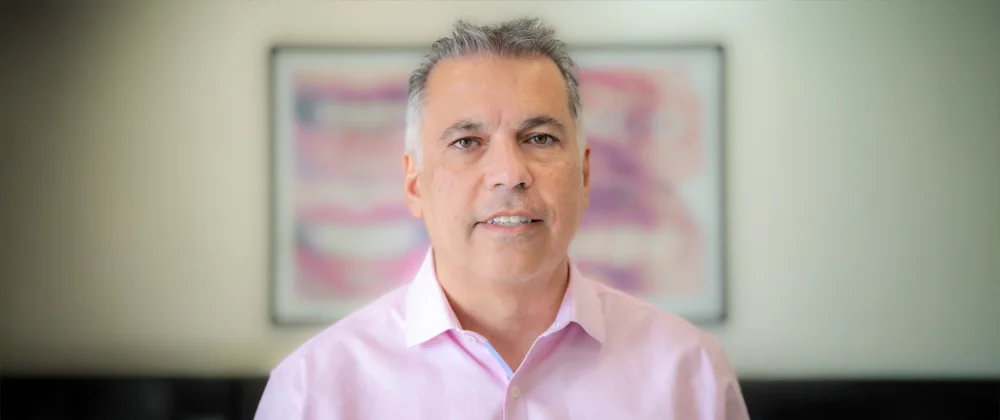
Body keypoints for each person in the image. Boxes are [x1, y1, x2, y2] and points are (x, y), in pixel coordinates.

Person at [255, 17, 749, 420]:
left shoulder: (693, 376)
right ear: (414, 184)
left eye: (539, 138)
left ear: (584, 175)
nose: (510, 175)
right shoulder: (311, 391)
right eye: (466, 142)